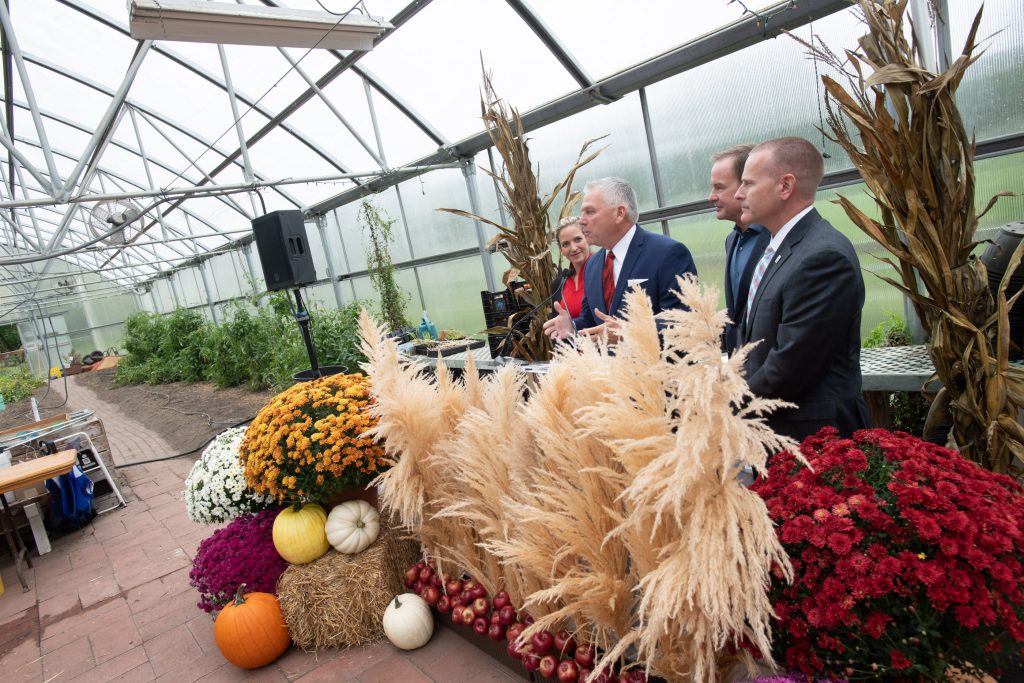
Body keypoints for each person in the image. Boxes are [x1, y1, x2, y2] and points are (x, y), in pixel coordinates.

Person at [735, 136, 869, 441]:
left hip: (813, 440)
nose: (739, 193)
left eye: (749, 183)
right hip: (779, 431)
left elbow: (790, 367)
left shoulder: (822, 257)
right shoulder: (776, 247)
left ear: (785, 186)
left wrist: (725, 408)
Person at [543, 177, 697, 344]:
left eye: (590, 212)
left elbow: (684, 321)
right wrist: (572, 326)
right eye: (582, 213)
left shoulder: (668, 253)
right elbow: (591, 320)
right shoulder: (592, 266)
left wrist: (627, 332)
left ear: (619, 213)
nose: (582, 220)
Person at [709, 144, 770, 355]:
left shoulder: (776, 238)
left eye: (719, 187)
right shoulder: (731, 239)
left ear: (745, 185)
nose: (711, 197)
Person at [550, 216, 592, 319]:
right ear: (561, 250)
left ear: (588, 238)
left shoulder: (605, 271)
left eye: (578, 239)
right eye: (566, 244)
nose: (573, 248)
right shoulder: (558, 284)